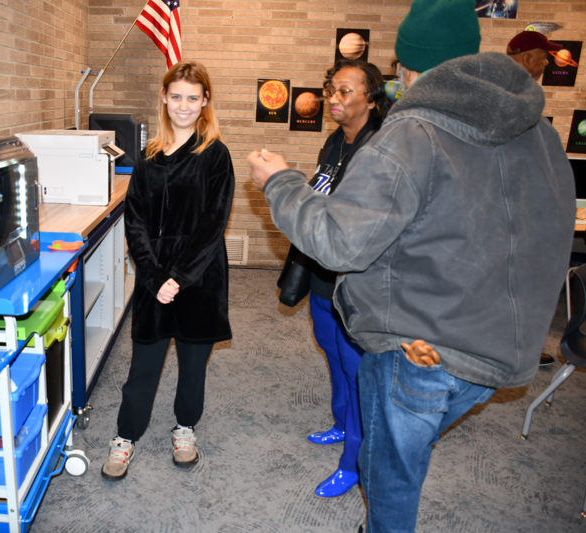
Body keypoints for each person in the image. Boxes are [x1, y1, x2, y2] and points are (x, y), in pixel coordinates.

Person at [246, 0, 574, 531]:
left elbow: (338, 243)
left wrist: (280, 182)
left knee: (389, 472)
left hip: (417, 349)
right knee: (405, 446)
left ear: (405, 68)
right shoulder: (540, 133)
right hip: (499, 349)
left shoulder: (411, 132)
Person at [101, 60, 235, 481]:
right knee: (143, 366)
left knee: (193, 367)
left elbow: (213, 225)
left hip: (199, 279)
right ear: (164, 97)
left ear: (205, 101)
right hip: (153, 279)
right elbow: (135, 220)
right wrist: (156, 277)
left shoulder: (215, 155)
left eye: (192, 98)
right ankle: (126, 436)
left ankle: (185, 428)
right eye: (176, 96)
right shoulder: (148, 157)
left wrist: (178, 278)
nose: (183, 105)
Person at [296, 59, 391, 498]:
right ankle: (340, 424)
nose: (333, 98)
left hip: (356, 285)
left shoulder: (380, 151)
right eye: (331, 90)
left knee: (356, 371)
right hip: (322, 274)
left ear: (371, 99)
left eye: (345, 91)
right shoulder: (334, 142)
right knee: (332, 355)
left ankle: (354, 461)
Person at [507, 30, 564, 368]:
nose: (546, 64)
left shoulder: (511, 92)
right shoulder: (515, 97)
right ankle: (512, 351)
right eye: (544, 57)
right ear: (528, 59)